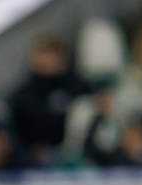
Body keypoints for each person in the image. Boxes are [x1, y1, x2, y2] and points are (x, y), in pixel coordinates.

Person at [7, 37, 89, 165]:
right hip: (35, 156)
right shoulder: (23, 96)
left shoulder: (78, 88)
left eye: (53, 57)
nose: (49, 62)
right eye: (45, 56)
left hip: (77, 153)